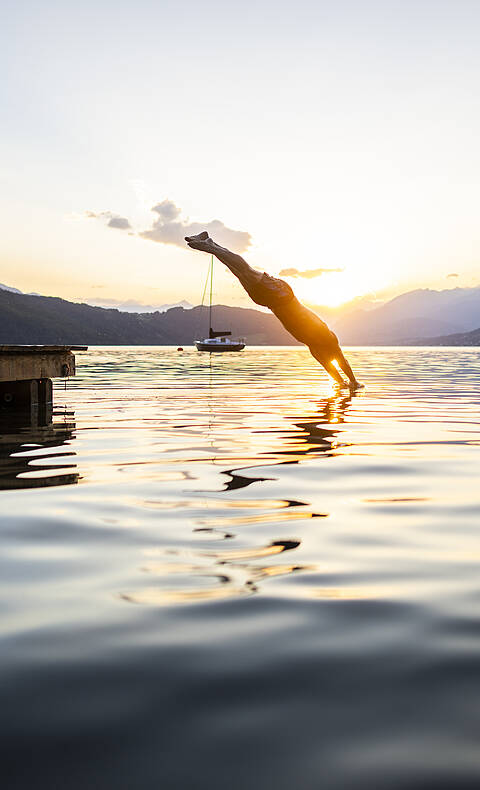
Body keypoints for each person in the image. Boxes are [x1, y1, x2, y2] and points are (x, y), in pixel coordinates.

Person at [185, 231, 362, 388]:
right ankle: (210, 245)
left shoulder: (314, 348)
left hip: (270, 302)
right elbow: (341, 362)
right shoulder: (328, 339)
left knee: (239, 272)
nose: (329, 356)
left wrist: (343, 383)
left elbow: (332, 367)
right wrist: (353, 382)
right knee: (245, 270)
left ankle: (210, 244)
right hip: (282, 295)